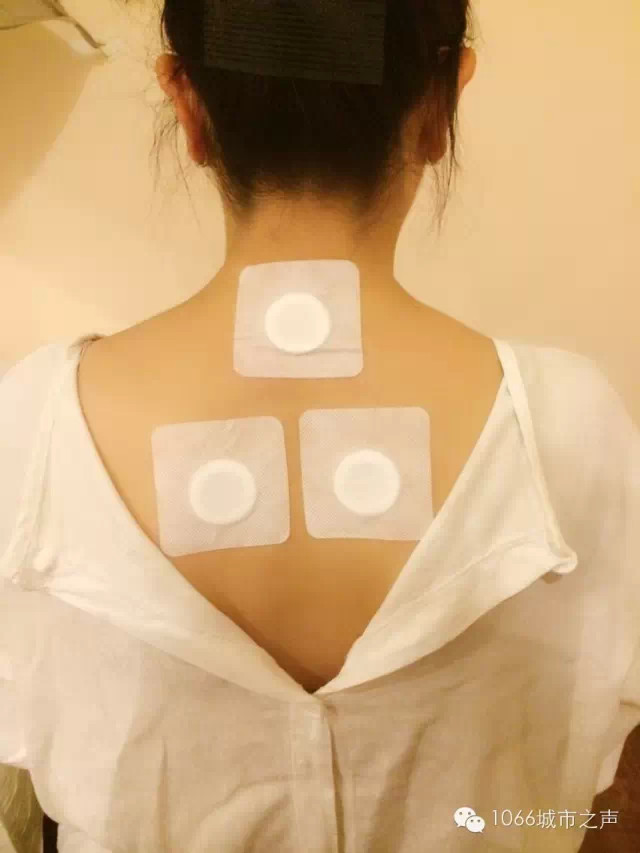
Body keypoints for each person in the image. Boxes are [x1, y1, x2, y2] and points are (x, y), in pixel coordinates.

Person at [0, 1, 638, 851]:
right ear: (440, 107)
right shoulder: (575, 427)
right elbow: (590, 770)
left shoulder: (28, 429)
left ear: (187, 108)